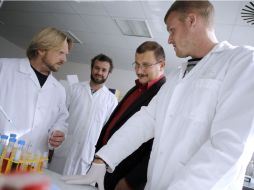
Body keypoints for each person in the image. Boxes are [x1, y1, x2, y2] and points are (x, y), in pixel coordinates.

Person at [62, 1, 254, 190]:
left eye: (172, 30)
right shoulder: (177, 76)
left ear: (191, 20)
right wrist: (104, 158)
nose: (169, 39)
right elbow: (146, 120)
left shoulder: (242, 62)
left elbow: (229, 147)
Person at [95, 41, 166, 190]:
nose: (139, 71)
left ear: (161, 65)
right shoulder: (136, 89)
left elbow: (158, 146)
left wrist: (132, 180)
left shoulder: (163, 94)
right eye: (137, 64)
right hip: (106, 164)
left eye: (146, 65)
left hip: (125, 175)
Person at [0, 27, 72, 154]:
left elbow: (61, 120)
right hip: (3, 153)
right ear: (41, 49)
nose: (64, 60)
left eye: (66, 54)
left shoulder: (59, 90)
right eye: (61, 52)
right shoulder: (4, 69)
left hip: (32, 160)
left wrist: (58, 133)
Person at [49, 54, 118, 175]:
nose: (99, 72)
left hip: (86, 155)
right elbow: (60, 117)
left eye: (104, 70)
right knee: (53, 183)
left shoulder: (111, 100)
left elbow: (106, 131)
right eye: (97, 68)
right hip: (64, 149)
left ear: (108, 73)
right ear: (92, 68)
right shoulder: (74, 89)